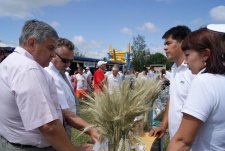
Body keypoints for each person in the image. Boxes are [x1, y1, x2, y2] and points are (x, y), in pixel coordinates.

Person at [0, 19, 91, 151]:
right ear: (32, 43)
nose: (53, 54)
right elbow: (48, 126)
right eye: (50, 48)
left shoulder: (9, 62)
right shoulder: (29, 69)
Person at [167, 26, 225, 151]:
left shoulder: (204, 81)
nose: (186, 62)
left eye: (187, 55)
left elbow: (182, 142)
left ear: (205, 54)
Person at [45, 38, 99, 141]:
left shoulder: (62, 73)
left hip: (66, 126)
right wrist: (91, 130)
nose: (68, 65)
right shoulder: (50, 75)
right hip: (58, 128)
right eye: (65, 61)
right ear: (53, 55)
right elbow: (64, 113)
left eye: (70, 61)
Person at [149, 25, 194, 139]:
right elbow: (172, 98)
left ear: (183, 43)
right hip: (176, 136)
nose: (164, 48)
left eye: (168, 43)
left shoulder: (193, 70)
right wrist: (163, 126)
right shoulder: (174, 68)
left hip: (190, 141)